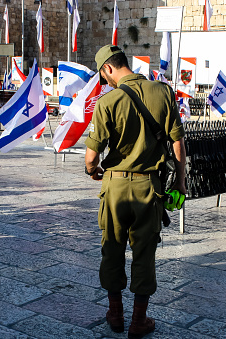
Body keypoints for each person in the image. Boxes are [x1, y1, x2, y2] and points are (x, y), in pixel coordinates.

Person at [84, 45, 186, 338]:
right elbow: (178, 143)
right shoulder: (163, 92)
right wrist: (179, 182)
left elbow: (91, 158)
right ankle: (139, 321)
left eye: (104, 77)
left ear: (107, 69)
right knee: (145, 253)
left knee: (112, 249)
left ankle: (115, 315)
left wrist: (93, 172)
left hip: (115, 188)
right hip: (149, 188)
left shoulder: (107, 102)